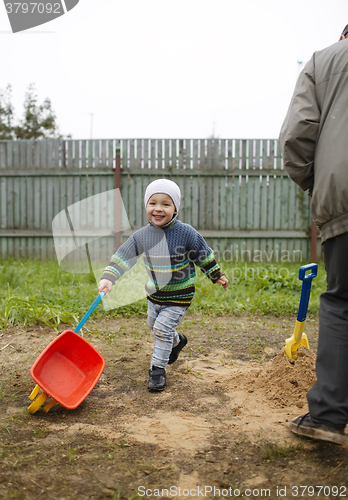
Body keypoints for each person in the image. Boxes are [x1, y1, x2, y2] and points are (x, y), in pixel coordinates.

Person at [278, 24, 348, 445]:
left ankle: (327, 415)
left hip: (345, 199)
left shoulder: (326, 61)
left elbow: (297, 135)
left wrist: (316, 182)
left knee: (342, 302)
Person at [98, 178, 229, 392]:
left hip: (179, 296)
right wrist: (109, 277)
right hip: (155, 296)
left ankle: (157, 371)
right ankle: (177, 342)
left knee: (161, 329)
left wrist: (216, 275)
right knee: (154, 325)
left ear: (175, 208)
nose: (158, 209)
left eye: (166, 204)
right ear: (146, 206)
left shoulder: (186, 233)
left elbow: (203, 255)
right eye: (153, 203)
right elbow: (124, 256)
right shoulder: (142, 236)